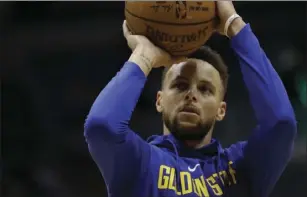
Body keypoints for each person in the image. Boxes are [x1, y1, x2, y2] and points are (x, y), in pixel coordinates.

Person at [84, 2, 297, 197]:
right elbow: (102, 126)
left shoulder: (241, 167)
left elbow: (281, 123)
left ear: (221, 109)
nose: (191, 94)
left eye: (205, 90)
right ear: (159, 100)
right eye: (180, 85)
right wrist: (144, 57)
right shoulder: (140, 163)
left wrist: (235, 25)